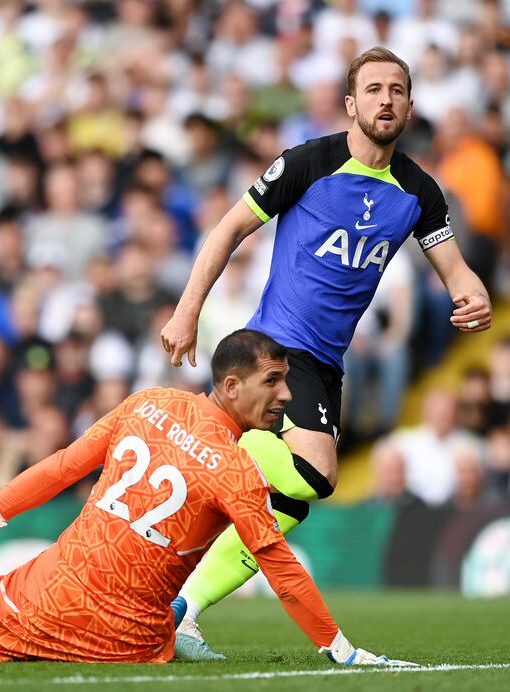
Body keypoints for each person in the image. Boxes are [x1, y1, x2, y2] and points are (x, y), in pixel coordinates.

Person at [160, 46, 492, 659]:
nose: (385, 99)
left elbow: (456, 270)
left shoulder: (419, 191)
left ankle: (183, 610)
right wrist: (186, 311)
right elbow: (228, 229)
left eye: (396, 90)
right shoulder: (307, 163)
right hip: (277, 351)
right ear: (351, 103)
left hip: (329, 363)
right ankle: (221, 471)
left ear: (411, 106)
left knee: (291, 502)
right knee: (316, 473)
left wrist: (474, 298)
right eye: (373, 90)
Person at [0, 330, 412, 668]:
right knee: (164, 600)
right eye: (274, 382)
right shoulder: (237, 468)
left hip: (46, 595)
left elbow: (61, 468)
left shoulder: (145, 403)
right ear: (233, 385)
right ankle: (176, 615)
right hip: (130, 640)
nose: (287, 396)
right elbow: (281, 568)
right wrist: (339, 647)